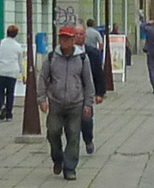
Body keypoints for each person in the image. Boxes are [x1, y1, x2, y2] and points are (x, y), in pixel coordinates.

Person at [42, 25, 95, 179]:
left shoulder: (82, 58)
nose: (64, 41)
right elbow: (43, 78)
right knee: (53, 132)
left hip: (75, 104)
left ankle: (70, 168)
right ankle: (58, 158)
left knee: (73, 136)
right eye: (62, 38)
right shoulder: (52, 57)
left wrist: (88, 104)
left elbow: (88, 83)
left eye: (67, 38)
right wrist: (41, 99)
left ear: (73, 40)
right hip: (55, 103)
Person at [0, 24, 26, 120]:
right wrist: (24, 75)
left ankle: (1, 105)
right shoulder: (18, 46)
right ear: (16, 34)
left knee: (0, 90)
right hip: (13, 72)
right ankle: (9, 114)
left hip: (1, 70)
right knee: (10, 93)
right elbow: (21, 62)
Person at [82, 23, 111, 152]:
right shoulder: (64, 52)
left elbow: (98, 73)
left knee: (86, 120)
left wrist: (100, 93)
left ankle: (88, 140)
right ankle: (71, 148)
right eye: (75, 35)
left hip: (86, 92)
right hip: (69, 94)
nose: (77, 37)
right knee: (70, 126)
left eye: (80, 34)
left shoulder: (91, 53)